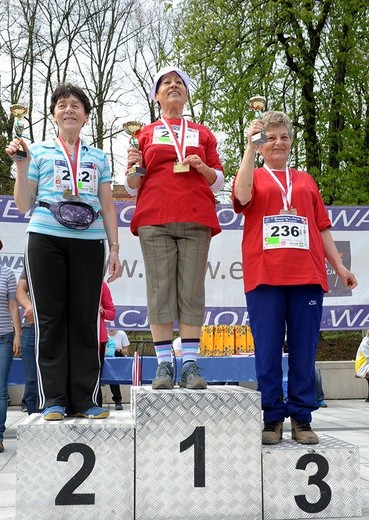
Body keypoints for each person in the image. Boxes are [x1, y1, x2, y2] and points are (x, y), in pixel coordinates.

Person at [233, 110, 357, 445]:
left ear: (291, 142)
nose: (278, 143)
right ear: (261, 145)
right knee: (268, 350)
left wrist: (340, 267)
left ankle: (302, 417)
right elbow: (241, 197)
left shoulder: (305, 180)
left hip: (307, 275)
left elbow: (322, 227)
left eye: (283, 137)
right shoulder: (254, 175)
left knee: (304, 349)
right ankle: (272, 417)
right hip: (264, 275)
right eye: (270, 138)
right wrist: (248, 147)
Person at [6, 83, 121, 421]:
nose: (69, 109)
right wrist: (22, 166)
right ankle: (53, 398)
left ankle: (86, 399)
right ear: (54, 114)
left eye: (76, 105)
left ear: (86, 117)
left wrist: (114, 248)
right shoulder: (38, 151)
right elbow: (24, 204)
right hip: (46, 237)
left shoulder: (98, 156)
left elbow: (109, 204)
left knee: (85, 318)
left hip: (89, 240)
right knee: (50, 319)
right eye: (62, 104)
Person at [124, 65, 224, 391]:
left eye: (179, 82)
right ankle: (164, 365)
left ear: (186, 93)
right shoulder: (145, 133)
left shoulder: (203, 133)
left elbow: (218, 181)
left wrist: (203, 166)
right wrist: (131, 168)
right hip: (155, 216)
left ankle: (191, 364)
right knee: (160, 289)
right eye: (166, 83)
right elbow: (132, 186)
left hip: (196, 215)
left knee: (191, 290)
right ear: (156, 95)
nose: (173, 86)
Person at [0, 240, 21, 452]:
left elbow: (13, 304)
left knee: (0, 389)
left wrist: (17, 334)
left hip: (3, 337)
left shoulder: (6, 273)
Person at [16, 267, 38, 414]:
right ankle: (33, 420)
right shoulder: (32, 263)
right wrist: (30, 306)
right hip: (31, 328)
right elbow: (20, 290)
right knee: (31, 381)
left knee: (55, 378)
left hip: (55, 328)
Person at [97, 280, 116, 407]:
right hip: (75, 337)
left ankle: (96, 405)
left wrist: (102, 311)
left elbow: (112, 313)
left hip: (99, 338)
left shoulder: (102, 285)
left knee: (95, 376)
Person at [106, 329, 130, 409]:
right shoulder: (103, 334)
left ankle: (117, 400)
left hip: (119, 361)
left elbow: (126, 352)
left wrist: (119, 350)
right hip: (106, 361)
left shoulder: (122, 334)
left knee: (113, 373)